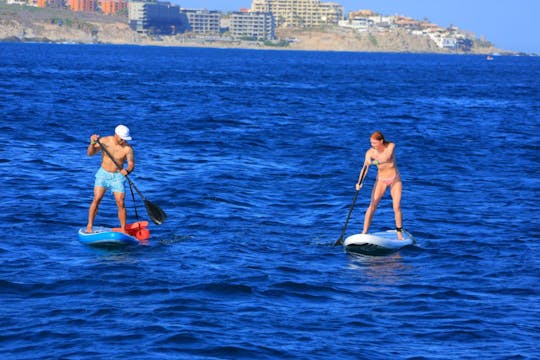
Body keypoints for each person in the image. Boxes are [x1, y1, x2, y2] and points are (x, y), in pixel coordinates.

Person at [85, 125, 135, 234]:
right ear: (115, 134)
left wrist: (127, 171)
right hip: (103, 174)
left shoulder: (128, 149)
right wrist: (92, 143)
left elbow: (131, 164)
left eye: (124, 139)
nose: (123, 141)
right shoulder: (104, 141)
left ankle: (123, 229)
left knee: (120, 202)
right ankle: (89, 225)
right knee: (96, 199)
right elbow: (90, 154)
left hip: (118, 177)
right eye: (121, 138)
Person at [356, 131, 404, 239]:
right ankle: (364, 231)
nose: (372, 145)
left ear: (381, 141)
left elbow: (386, 158)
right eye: (371, 143)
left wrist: (373, 162)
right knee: (372, 205)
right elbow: (365, 168)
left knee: (396, 206)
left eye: (374, 143)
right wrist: (359, 182)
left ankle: (399, 233)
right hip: (381, 180)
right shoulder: (370, 152)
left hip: (395, 179)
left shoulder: (391, 146)